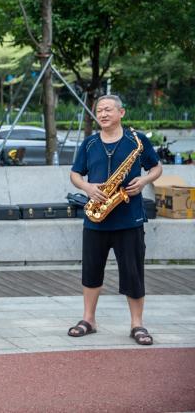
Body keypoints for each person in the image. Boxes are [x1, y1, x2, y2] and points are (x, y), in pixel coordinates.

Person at [68, 94, 162, 346]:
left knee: (133, 273)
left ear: (122, 112)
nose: (103, 114)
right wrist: (87, 188)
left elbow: (156, 168)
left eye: (108, 109)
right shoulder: (89, 143)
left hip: (129, 219)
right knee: (91, 271)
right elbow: (75, 174)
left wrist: (143, 181)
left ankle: (137, 324)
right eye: (99, 110)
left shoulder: (137, 141)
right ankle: (88, 320)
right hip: (96, 218)